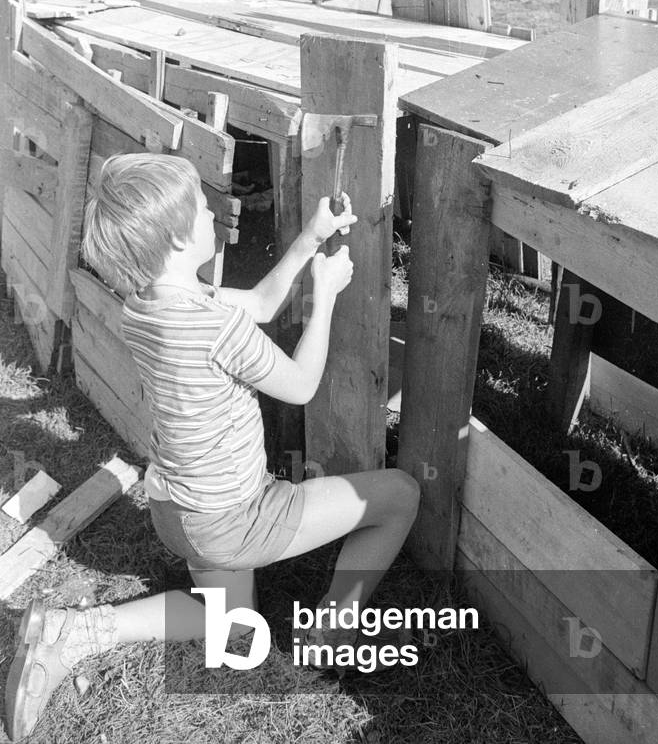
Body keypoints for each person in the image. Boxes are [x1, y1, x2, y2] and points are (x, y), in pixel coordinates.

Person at [4, 153, 420, 740]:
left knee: (237, 633)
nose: (216, 214)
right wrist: (325, 297)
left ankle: (74, 633)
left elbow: (265, 303)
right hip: (233, 517)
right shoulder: (213, 326)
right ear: (178, 238)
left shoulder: (146, 306)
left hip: (176, 511)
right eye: (202, 207)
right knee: (399, 496)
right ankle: (332, 627)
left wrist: (310, 238)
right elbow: (300, 386)